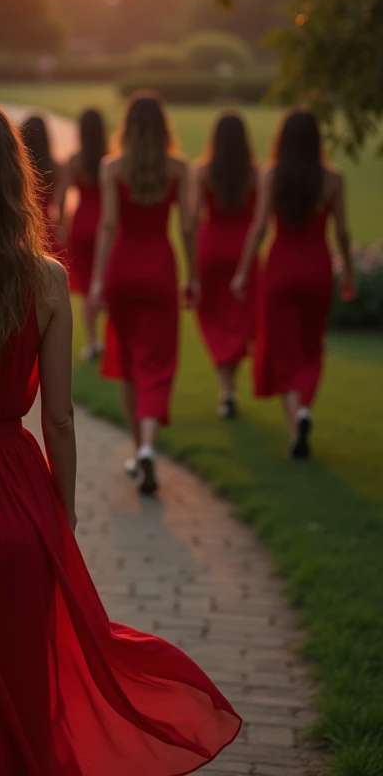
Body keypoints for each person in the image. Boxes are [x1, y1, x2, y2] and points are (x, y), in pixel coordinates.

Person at [0, 95, 241, 775]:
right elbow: (57, 419)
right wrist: (59, 514)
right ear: (12, 176)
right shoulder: (49, 280)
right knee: (21, 685)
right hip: (17, 502)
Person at [90, 91, 198, 495]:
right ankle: (149, 447)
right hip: (160, 272)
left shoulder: (112, 168)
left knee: (129, 362)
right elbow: (187, 227)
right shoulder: (179, 168)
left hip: (122, 273)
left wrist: (99, 280)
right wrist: (195, 276)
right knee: (158, 363)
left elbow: (109, 226)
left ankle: (138, 451)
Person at [232, 109, 354, 458]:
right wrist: (347, 271)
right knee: (311, 347)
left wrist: (242, 273)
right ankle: (303, 411)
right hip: (317, 268)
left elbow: (258, 230)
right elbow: (343, 232)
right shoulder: (334, 179)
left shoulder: (272, 177)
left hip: (281, 269)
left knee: (280, 350)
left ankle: (295, 422)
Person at [193, 112, 258, 418]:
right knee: (240, 318)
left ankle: (226, 391)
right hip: (244, 250)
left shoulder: (203, 172)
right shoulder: (255, 174)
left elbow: (192, 219)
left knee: (214, 318)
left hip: (212, 249)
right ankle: (231, 388)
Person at [57, 108, 107, 360]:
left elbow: (63, 197)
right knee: (106, 281)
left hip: (82, 223)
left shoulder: (75, 160)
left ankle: (92, 340)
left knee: (88, 286)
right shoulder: (110, 158)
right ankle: (111, 337)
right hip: (106, 222)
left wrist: (62, 227)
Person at [20, 114, 63, 256]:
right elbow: (59, 202)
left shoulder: (19, 168)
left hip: (22, 225)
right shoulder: (54, 167)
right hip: (46, 227)